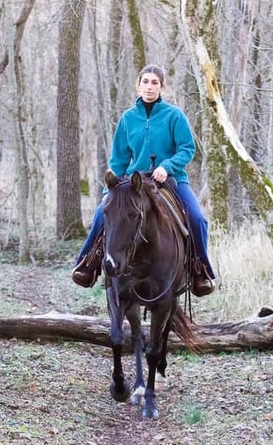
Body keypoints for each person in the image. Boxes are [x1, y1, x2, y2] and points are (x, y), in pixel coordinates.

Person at [71, 64, 216, 297]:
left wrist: (166, 166)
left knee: (197, 218)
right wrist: (113, 190)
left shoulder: (174, 116)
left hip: (171, 180)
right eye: (145, 82)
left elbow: (187, 148)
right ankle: (87, 265)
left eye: (154, 82)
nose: (149, 87)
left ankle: (201, 272)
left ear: (161, 87)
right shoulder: (128, 119)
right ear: (138, 85)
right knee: (101, 213)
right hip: (134, 181)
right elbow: (118, 159)